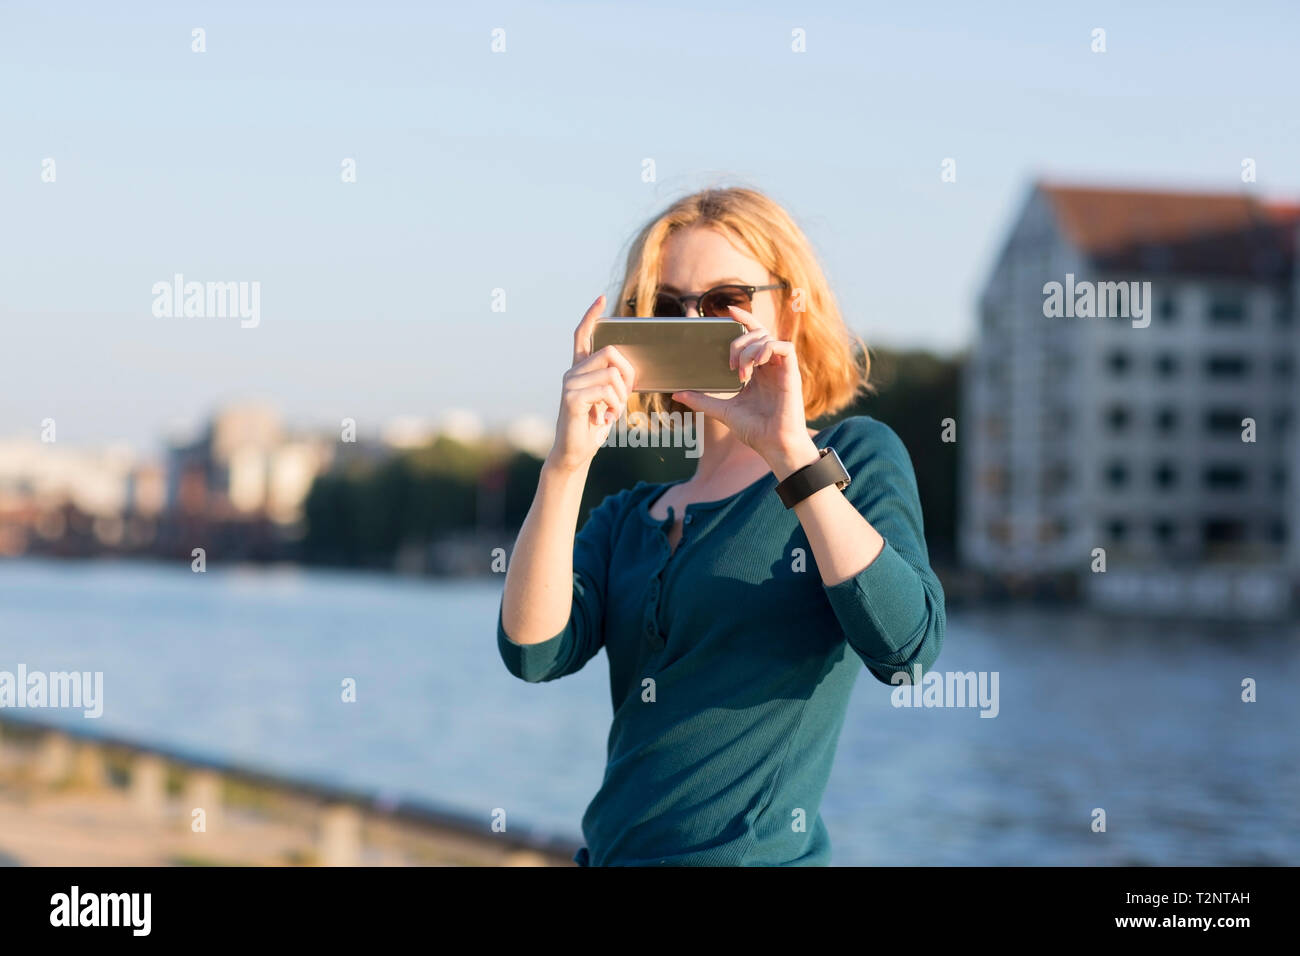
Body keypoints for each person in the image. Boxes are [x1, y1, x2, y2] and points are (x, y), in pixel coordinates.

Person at [497, 186, 945, 865]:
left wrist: (790, 453)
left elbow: (906, 652)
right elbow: (532, 652)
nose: (695, 324)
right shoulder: (630, 514)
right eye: (668, 308)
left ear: (790, 310)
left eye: (724, 301)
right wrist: (566, 463)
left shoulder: (852, 457)